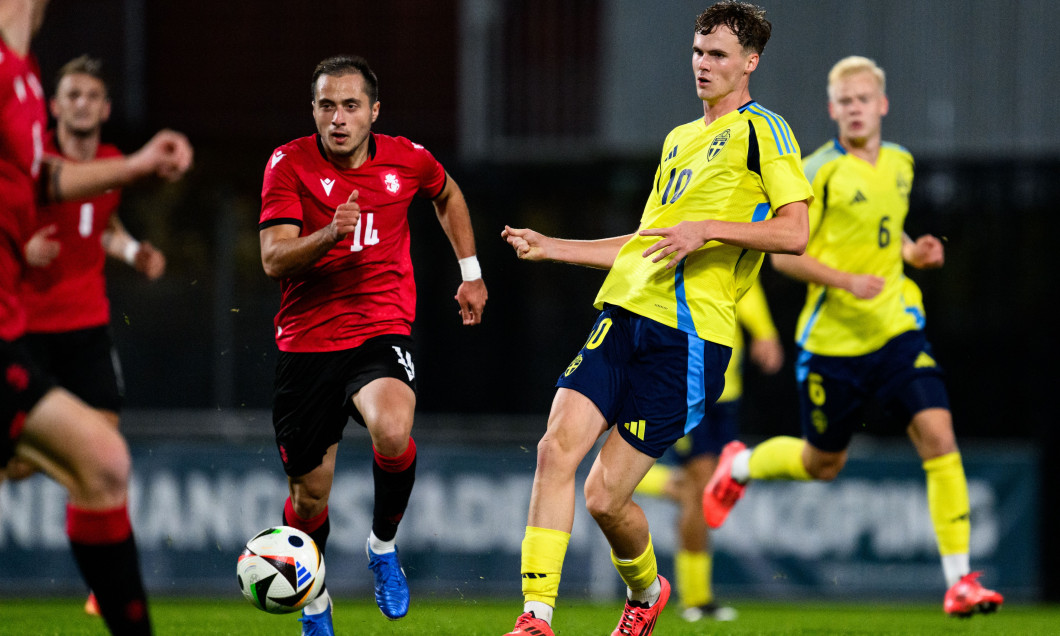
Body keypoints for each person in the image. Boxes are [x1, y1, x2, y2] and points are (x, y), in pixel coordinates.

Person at [499, 3, 811, 634]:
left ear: (750, 62)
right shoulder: (677, 139)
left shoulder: (765, 131)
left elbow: (796, 232)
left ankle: (646, 594)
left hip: (690, 340)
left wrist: (708, 230)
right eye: (698, 51)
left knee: (605, 499)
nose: (703, 65)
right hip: (623, 314)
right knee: (555, 449)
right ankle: (536, 617)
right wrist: (552, 246)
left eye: (718, 54)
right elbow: (645, 242)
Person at [701, 55, 1004, 618]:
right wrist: (843, 280)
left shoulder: (901, 163)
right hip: (833, 345)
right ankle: (739, 466)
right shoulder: (817, 170)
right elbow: (784, 255)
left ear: (882, 105)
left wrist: (915, 253)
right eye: (844, 101)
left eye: (863, 99)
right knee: (823, 465)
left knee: (940, 437)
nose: (855, 109)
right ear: (832, 109)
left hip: (896, 330)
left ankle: (960, 581)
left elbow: (886, 235)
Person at [258, 54, 487, 635]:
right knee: (310, 500)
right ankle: (315, 601)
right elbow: (273, 258)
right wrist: (329, 233)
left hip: (379, 327)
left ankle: (382, 546)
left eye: (351, 106)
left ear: (374, 112)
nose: (338, 118)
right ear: (312, 110)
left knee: (392, 428)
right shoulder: (287, 164)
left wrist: (471, 271)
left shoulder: (407, 159)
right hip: (306, 342)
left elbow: (448, 194)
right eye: (327, 106)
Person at [0, 1, 193, 634]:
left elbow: (66, 196)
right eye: (72, 94)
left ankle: (100, 593)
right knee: (57, 462)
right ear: (59, 104)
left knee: (104, 455)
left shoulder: (24, 78)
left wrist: (134, 233)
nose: (80, 103)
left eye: (91, 95)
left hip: (75, 325)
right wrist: (21, 246)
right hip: (27, 322)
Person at [633, 277, 782, 623]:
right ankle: (696, 600)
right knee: (699, 491)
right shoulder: (686, 237)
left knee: (699, 488)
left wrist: (763, 331)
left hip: (726, 386)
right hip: (687, 381)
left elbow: (743, 288)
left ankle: (636, 480)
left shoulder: (731, 243)